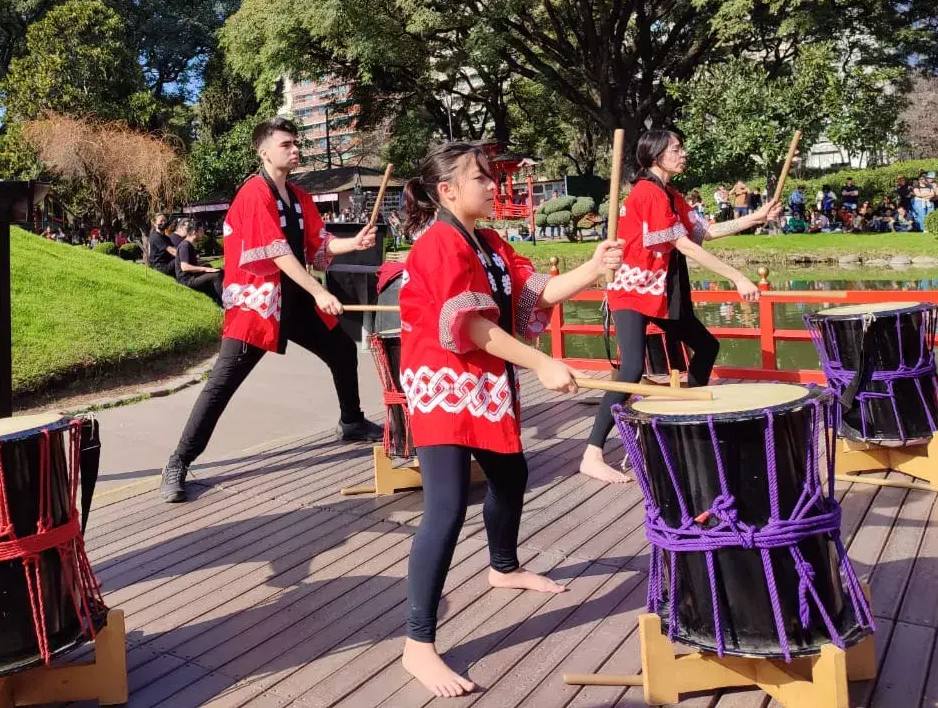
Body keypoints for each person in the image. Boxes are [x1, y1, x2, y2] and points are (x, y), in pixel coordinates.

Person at [395, 143, 623, 697]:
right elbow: (472, 328)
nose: (492, 186)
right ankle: (417, 646)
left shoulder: (491, 244)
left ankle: (503, 566)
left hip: (485, 383)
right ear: (448, 191)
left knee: (511, 475)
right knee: (446, 510)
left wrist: (593, 267)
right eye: (481, 179)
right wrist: (544, 361)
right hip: (443, 386)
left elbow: (533, 294)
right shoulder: (437, 245)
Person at [158, 117, 385, 503]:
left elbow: (318, 243)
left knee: (341, 349)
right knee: (222, 383)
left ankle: (350, 420)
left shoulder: (299, 197)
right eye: (286, 145)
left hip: (293, 299)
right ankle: (178, 461)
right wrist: (318, 291)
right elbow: (278, 253)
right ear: (264, 152)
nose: (295, 150)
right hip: (258, 304)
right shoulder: (253, 194)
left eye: (296, 144)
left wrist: (352, 244)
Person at [580, 130, 779, 484]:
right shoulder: (649, 193)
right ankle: (593, 453)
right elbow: (685, 246)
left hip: (657, 290)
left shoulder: (669, 194)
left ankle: (685, 416)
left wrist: (755, 217)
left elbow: (704, 232)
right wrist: (737, 277)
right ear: (656, 156)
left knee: (706, 346)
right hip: (632, 289)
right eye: (676, 149)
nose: (683, 153)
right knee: (629, 371)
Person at [173, 218, 223, 303]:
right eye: (201, 231)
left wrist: (205, 266)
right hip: (187, 280)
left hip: (192, 276)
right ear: (194, 233)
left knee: (220, 270)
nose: (203, 234)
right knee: (217, 275)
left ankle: (216, 297)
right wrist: (205, 269)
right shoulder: (185, 245)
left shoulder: (189, 244)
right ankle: (223, 303)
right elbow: (185, 267)